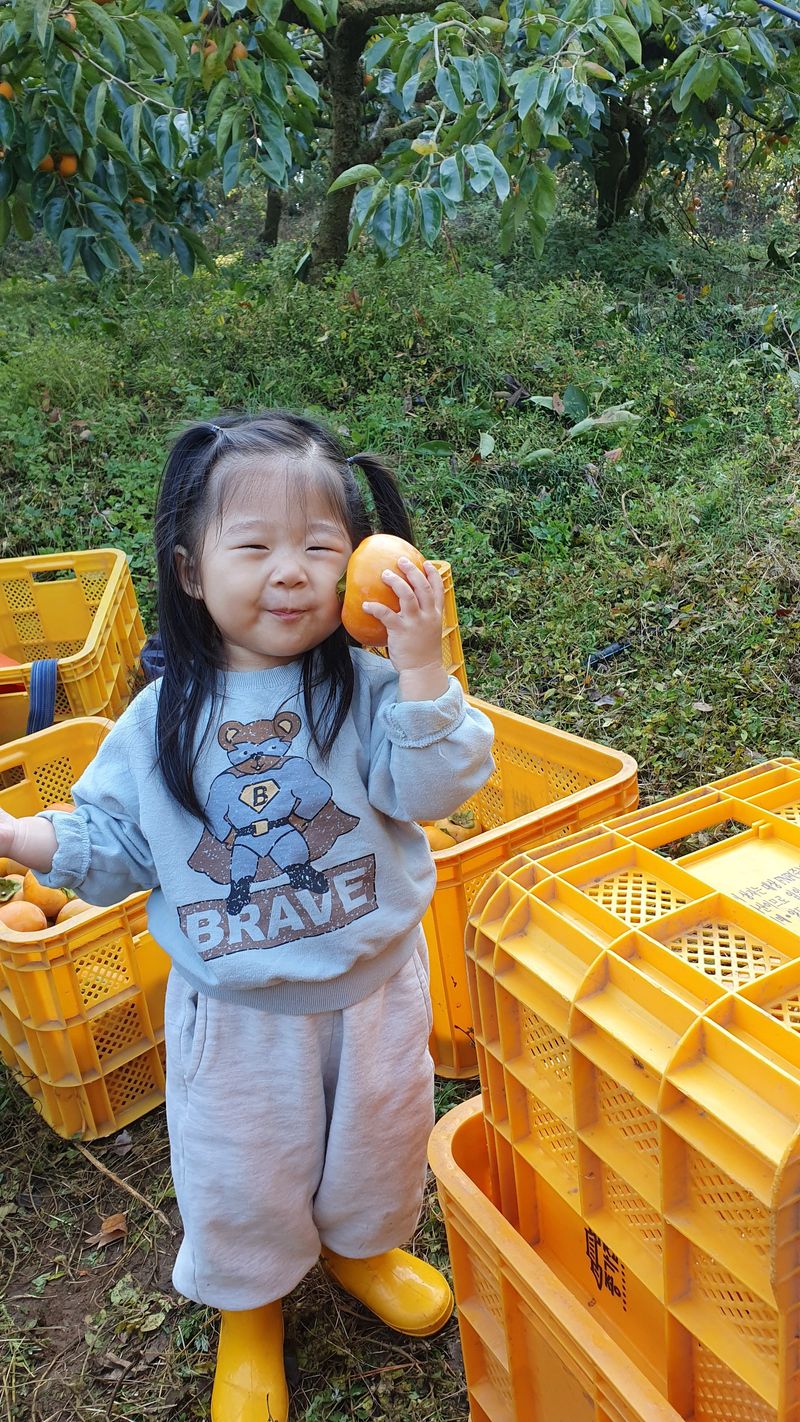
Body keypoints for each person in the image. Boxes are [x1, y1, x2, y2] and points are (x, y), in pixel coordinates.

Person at [0, 411, 494, 1422]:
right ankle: (251, 1307)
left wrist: (422, 665)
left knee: (381, 1140)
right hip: (237, 1014)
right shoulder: (161, 721)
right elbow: (117, 844)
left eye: (320, 546)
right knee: (243, 1172)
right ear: (190, 572)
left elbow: (433, 788)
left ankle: (363, 1248)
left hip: (374, 989)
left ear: (356, 562)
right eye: (255, 546)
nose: (291, 572)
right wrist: (19, 838)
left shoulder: (369, 690)